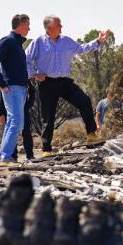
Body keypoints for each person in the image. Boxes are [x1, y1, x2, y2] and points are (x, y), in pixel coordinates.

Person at [25, 15, 109, 156]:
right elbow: (25, 60)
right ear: (49, 28)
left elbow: (82, 48)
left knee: (85, 101)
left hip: (64, 82)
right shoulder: (37, 43)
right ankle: (46, 149)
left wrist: (98, 41)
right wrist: (34, 74)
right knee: (48, 117)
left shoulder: (66, 41)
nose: (62, 27)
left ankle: (92, 135)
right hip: (47, 84)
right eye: (59, 25)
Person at [0, 14, 30, 164]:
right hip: (12, 88)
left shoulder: (17, 44)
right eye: (27, 25)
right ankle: (6, 157)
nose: (29, 28)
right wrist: (2, 84)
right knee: (17, 123)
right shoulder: (7, 41)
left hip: (20, 89)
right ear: (20, 25)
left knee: (13, 121)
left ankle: (4, 155)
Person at [0, 80, 35, 160]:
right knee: (12, 132)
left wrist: (28, 105)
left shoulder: (25, 80)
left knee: (26, 132)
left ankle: (30, 155)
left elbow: (32, 92)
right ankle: (12, 156)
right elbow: (1, 100)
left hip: (24, 110)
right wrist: (1, 114)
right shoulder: (6, 82)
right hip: (11, 112)